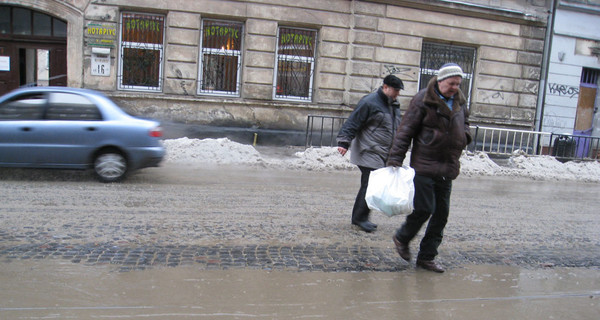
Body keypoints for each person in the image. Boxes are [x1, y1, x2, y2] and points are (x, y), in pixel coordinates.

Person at [386, 63, 472, 273]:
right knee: (425, 208)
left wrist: (464, 136)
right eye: (451, 83)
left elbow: (466, 122)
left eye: (458, 84)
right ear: (440, 81)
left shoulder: (459, 101)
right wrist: (395, 158)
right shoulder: (423, 99)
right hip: (425, 164)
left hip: (448, 165)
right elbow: (406, 129)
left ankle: (427, 257)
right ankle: (402, 237)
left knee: (441, 215)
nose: (454, 87)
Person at [337, 74, 404, 233]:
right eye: (395, 90)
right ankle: (360, 219)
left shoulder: (393, 105)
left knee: (373, 185)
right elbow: (353, 121)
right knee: (370, 185)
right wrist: (344, 142)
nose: (397, 94)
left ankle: (361, 217)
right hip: (368, 149)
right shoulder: (370, 102)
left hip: (383, 151)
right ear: (385, 87)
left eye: (399, 91)